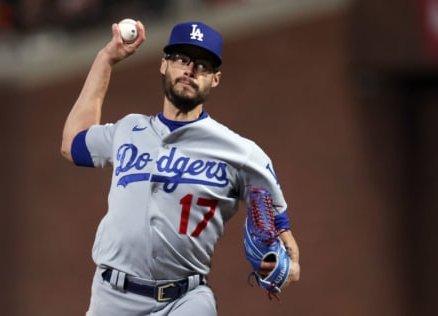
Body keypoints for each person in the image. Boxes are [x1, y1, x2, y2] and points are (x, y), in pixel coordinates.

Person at [61, 20, 300, 316]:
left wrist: (285, 260)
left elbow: (281, 231)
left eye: (202, 65)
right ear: (164, 65)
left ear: (215, 79)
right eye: (182, 60)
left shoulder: (241, 152)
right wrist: (105, 59)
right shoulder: (128, 129)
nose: (190, 70)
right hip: (111, 296)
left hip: (185, 299)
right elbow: (72, 142)